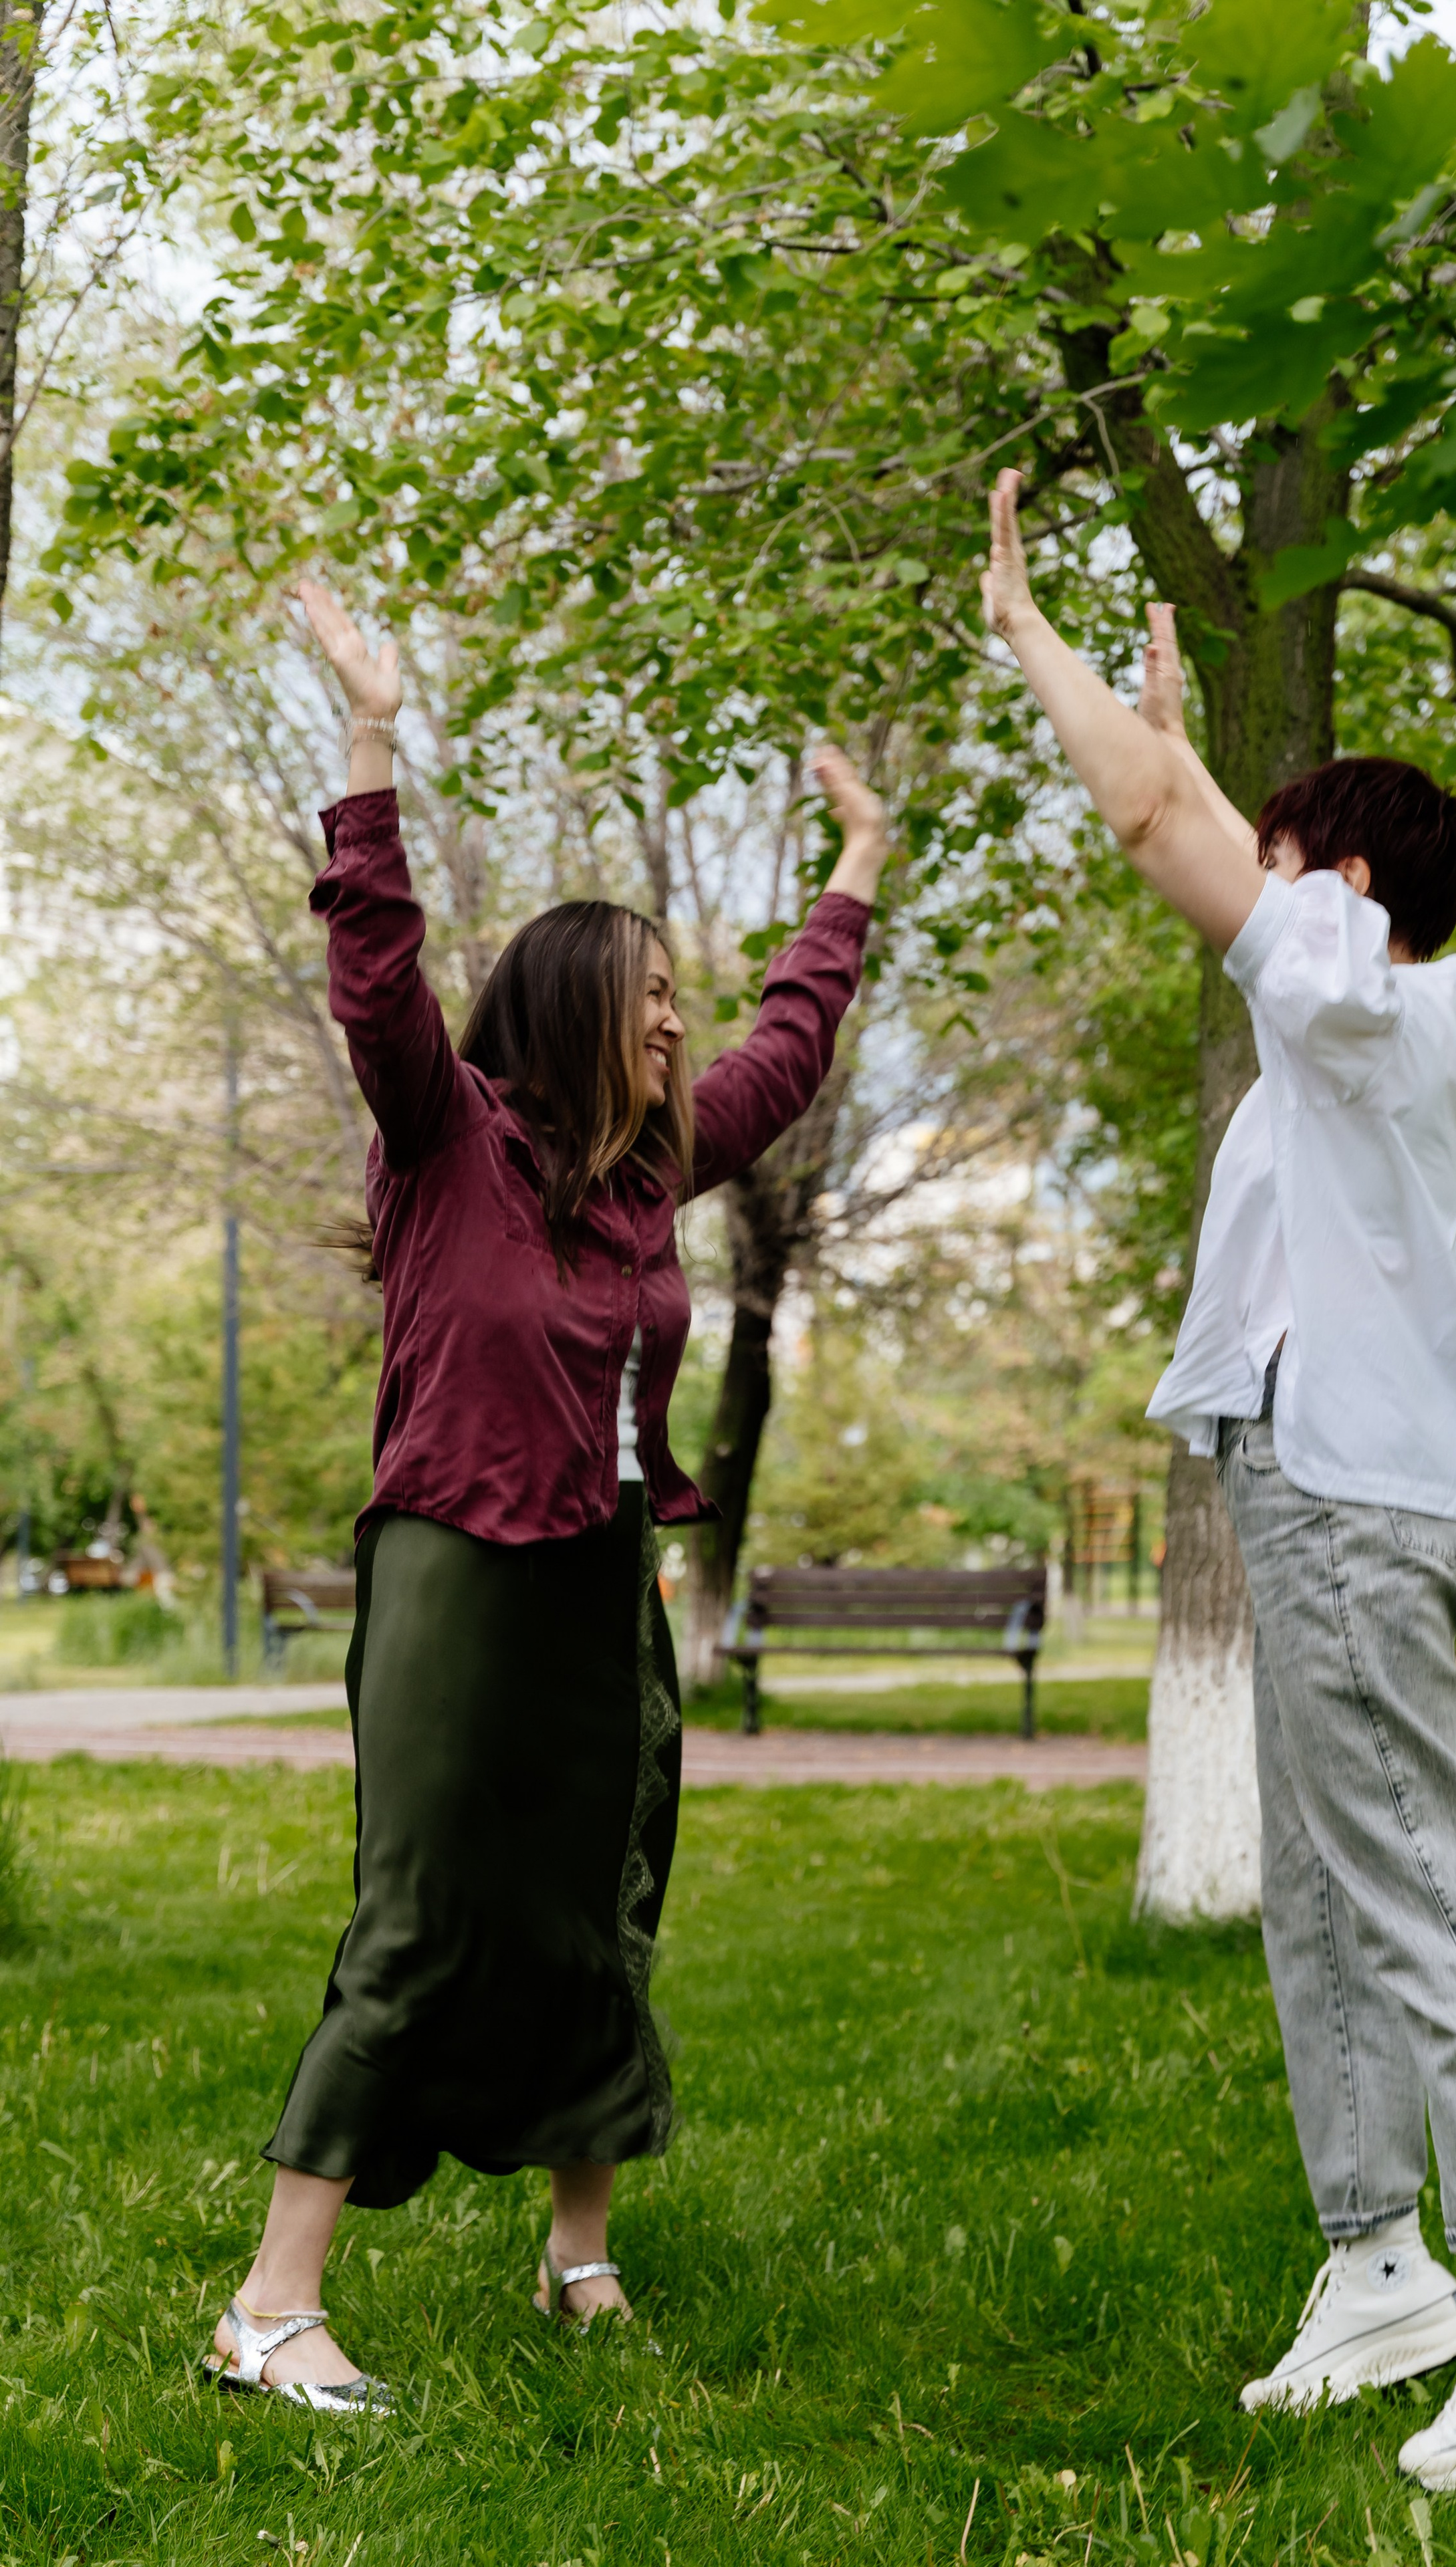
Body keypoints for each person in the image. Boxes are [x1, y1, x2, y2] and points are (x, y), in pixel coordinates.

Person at [980, 467, 1456, 2493]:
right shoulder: (1340, 1030)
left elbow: (1149, 825)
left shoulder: (1375, 1004)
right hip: (1305, 1476)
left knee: (1417, 1869)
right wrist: (1189, 754)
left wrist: (1033, 638)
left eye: (1275, 868)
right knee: (1325, 1877)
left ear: (1340, 889)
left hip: (1360, 1495)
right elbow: (1181, 816)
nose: (1235, 901)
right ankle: (1382, 2262)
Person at [203, 584, 888, 2413]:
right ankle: (273, 2303)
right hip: (453, 1574)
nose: (679, 1023)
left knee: (606, 1901)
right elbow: (373, 967)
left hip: (601, 1583)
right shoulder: (448, 1139)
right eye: (656, 997)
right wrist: (371, 735)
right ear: (582, 1007)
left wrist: (862, 869)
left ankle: (579, 2251)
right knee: (421, 1919)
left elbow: (790, 1047)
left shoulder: (648, 1176)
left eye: (680, 1001)